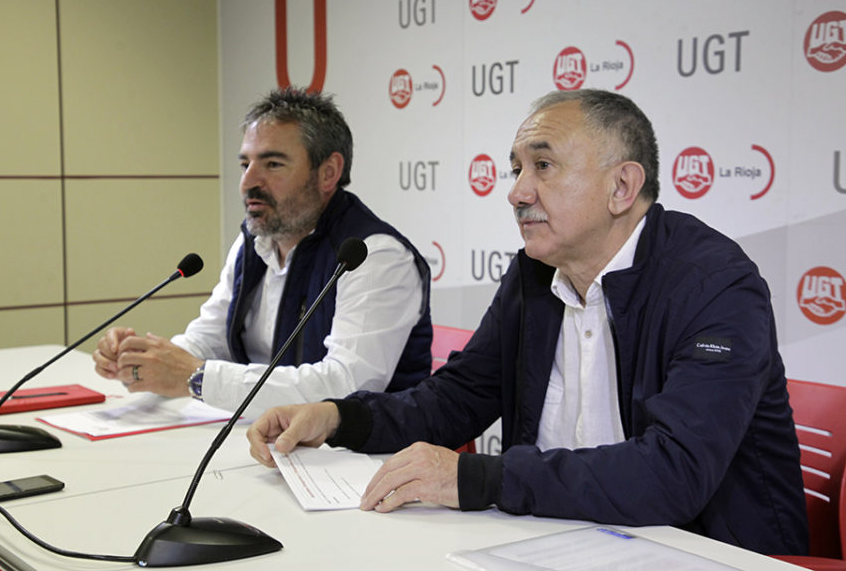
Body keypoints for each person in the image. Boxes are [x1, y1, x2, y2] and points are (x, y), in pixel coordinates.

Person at [246, 89, 809, 555]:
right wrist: (339, 418)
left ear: (622, 187)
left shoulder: (715, 284)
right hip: (555, 538)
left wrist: (478, 479)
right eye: (516, 169)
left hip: (703, 551)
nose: (517, 192)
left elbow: (674, 474)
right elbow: (459, 398)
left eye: (543, 166)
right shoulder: (536, 273)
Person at [92, 86, 433, 417]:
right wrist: (147, 361)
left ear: (328, 173)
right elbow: (211, 337)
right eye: (245, 165)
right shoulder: (255, 242)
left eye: (272, 164)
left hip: (363, 461)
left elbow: (345, 388)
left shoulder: (372, 257)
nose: (249, 182)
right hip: (269, 439)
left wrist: (194, 378)